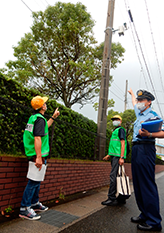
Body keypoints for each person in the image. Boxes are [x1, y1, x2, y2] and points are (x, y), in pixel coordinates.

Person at [19, 95, 60, 220]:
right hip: (37, 154)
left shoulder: (35, 118)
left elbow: (43, 129)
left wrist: (53, 117)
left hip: (34, 153)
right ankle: (25, 208)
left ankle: (34, 203)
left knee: (37, 180)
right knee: (33, 181)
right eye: (44, 103)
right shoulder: (39, 119)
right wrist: (38, 157)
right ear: (42, 106)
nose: (46, 105)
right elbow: (37, 138)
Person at [128, 88, 162, 232]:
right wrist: (131, 94)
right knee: (138, 183)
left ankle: (154, 221)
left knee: (146, 184)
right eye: (139, 100)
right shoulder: (139, 113)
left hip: (146, 148)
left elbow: (163, 132)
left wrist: (150, 134)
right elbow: (134, 103)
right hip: (136, 149)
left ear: (149, 102)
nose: (139, 102)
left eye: (142, 100)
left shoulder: (153, 115)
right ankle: (144, 214)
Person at [101, 115, 127, 206]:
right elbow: (114, 145)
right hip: (114, 156)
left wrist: (122, 157)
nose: (114, 121)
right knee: (116, 177)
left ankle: (111, 198)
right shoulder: (115, 131)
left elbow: (123, 144)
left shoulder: (121, 130)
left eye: (116, 119)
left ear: (120, 121)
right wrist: (109, 155)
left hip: (117, 157)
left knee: (113, 177)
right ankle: (121, 198)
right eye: (113, 120)